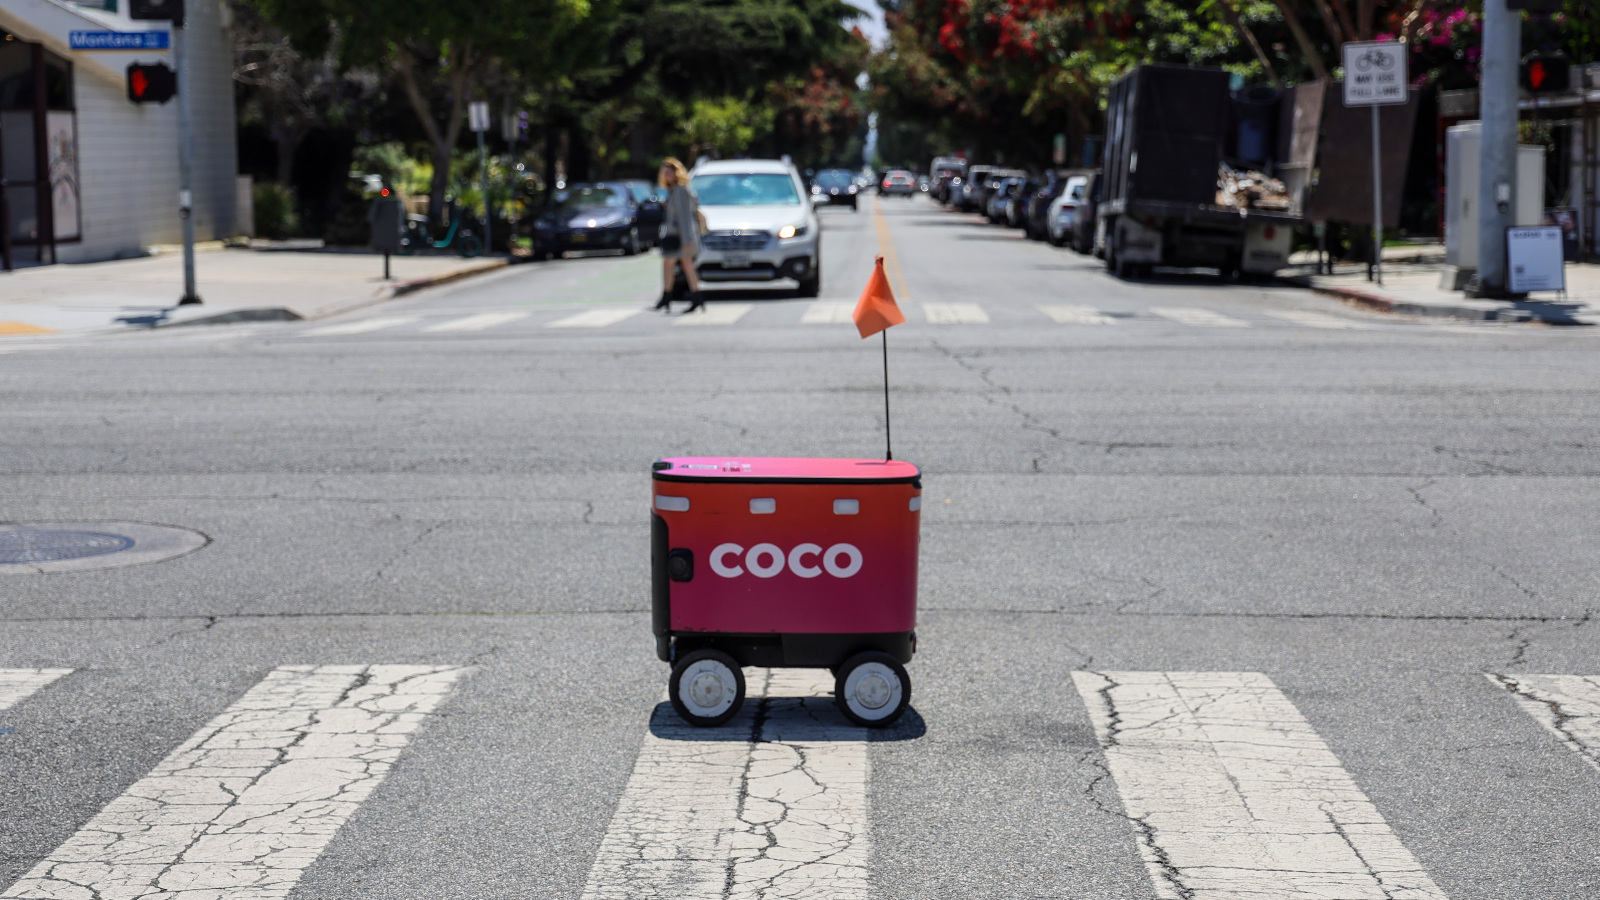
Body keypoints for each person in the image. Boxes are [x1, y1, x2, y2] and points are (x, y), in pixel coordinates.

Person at [653, 158, 704, 314]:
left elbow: (685, 217)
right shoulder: (674, 190)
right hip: (678, 236)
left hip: (681, 237)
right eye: (665, 173)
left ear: (677, 173)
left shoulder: (681, 190)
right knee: (682, 265)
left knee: (677, 264)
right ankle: (689, 297)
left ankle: (670, 297)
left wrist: (687, 239)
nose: (667, 176)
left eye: (669, 172)